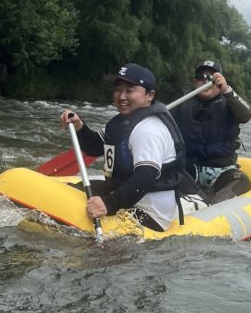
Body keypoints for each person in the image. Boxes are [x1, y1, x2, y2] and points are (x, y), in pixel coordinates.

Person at [60, 63, 203, 232]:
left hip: (150, 213)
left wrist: (108, 204)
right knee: (71, 192)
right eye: (118, 90)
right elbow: (94, 146)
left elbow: (146, 177)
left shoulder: (149, 129)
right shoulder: (123, 122)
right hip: (127, 196)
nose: (121, 96)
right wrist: (79, 126)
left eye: (129, 90)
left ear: (149, 96)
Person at [171, 60, 251, 200]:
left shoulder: (230, 100)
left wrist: (227, 91)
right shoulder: (182, 101)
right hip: (190, 166)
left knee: (242, 182)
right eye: (200, 77)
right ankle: (196, 199)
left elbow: (247, 115)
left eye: (210, 78)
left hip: (221, 168)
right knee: (170, 168)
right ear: (194, 82)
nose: (205, 81)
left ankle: (213, 206)